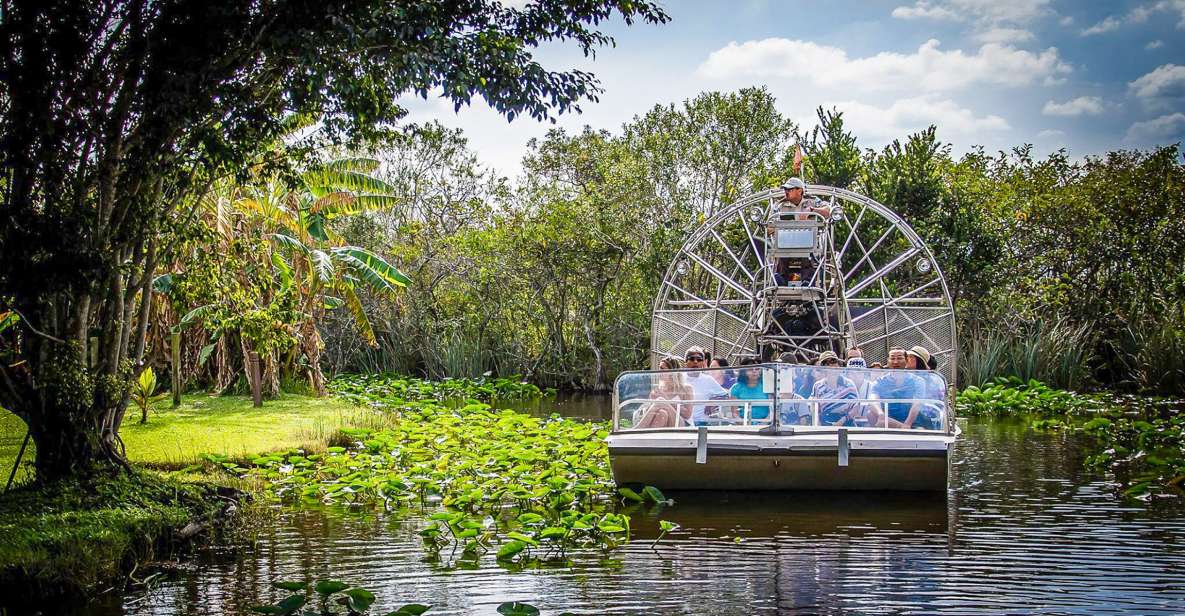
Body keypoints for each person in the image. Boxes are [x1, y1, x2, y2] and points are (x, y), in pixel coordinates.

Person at [868, 348, 933, 429]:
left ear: (906, 360)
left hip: (913, 422)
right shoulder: (880, 382)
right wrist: (881, 415)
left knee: (921, 430)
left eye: (899, 358)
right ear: (888, 361)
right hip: (888, 421)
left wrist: (907, 424)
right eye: (892, 358)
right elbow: (873, 400)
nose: (895, 362)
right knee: (871, 414)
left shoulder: (918, 381)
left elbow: (917, 404)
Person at [633, 357, 693, 428]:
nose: (659, 372)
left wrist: (667, 400)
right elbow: (649, 413)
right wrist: (651, 403)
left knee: (661, 400)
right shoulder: (657, 390)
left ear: (672, 372)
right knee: (662, 413)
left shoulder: (686, 388)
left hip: (682, 424)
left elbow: (687, 414)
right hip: (665, 421)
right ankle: (650, 438)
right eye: (659, 369)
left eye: (662, 369)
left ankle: (638, 428)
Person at [809, 351, 858, 425]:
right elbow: (815, 407)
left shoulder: (849, 384)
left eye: (834, 361)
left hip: (847, 423)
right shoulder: (817, 386)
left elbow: (856, 407)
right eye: (827, 363)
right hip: (825, 425)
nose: (832, 366)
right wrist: (818, 424)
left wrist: (842, 421)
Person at [682, 346, 728, 425]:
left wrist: (712, 402)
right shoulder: (679, 378)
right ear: (685, 362)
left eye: (699, 359)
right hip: (681, 421)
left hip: (700, 422)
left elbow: (725, 395)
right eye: (692, 359)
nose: (696, 362)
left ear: (703, 363)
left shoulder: (708, 380)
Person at [728, 358, 771, 424]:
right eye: (750, 369)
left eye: (757, 369)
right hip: (744, 426)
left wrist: (763, 424)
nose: (754, 371)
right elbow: (735, 413)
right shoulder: (736, 388)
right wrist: (745, 425)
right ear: (743, 372)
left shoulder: (767, 386)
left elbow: (772, 411)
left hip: (765, 425)